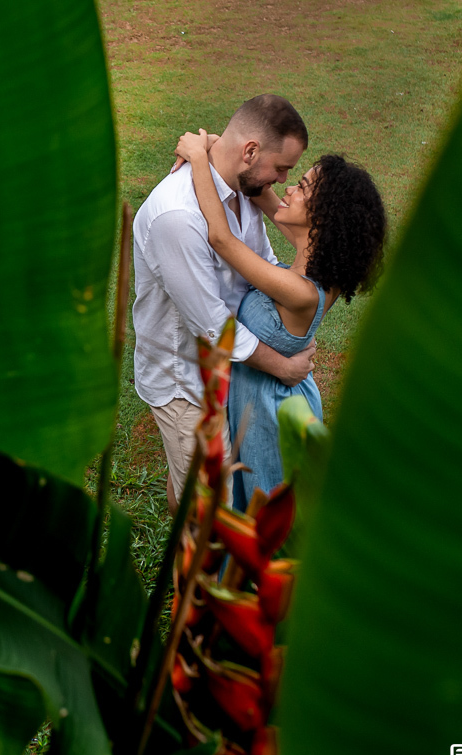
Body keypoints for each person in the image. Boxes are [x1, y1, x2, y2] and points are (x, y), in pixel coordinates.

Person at [174, 129, 386, 509]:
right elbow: (260, 192)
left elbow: (221, 238)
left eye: (302, 186)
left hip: (269, 412)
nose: (288, 189)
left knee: (261, 512)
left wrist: (198, 158)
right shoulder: (318, 257)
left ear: (322, 217)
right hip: (266, 396)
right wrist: (225, 147)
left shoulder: (301, 291)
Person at [132, 95, 315, 514]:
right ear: (249, 151)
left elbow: (260, 263)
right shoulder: (177, 216)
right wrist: (284, 366)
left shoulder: (244, 188)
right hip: (186, 382)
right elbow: (213, 326)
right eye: (281, 168)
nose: (283, 181)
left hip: (225, 369)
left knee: (208, 489)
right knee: (211, 510)